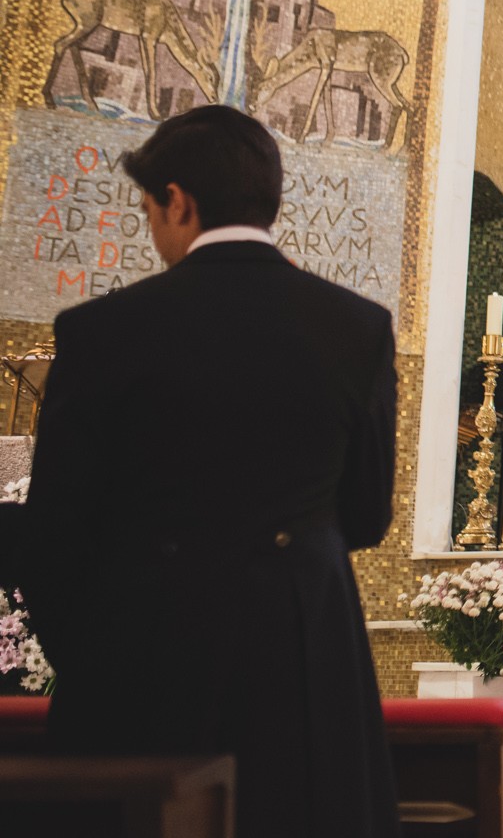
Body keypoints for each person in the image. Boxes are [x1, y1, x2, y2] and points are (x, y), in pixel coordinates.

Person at [19, 105, 397, 837]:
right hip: (302, 665)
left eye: (151, 210)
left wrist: (97, 664)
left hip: (141, 666)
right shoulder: (358, 327)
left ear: (180, 200)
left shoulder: (99, 332)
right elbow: (367, 513)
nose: (155, 228)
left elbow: (53, 535)